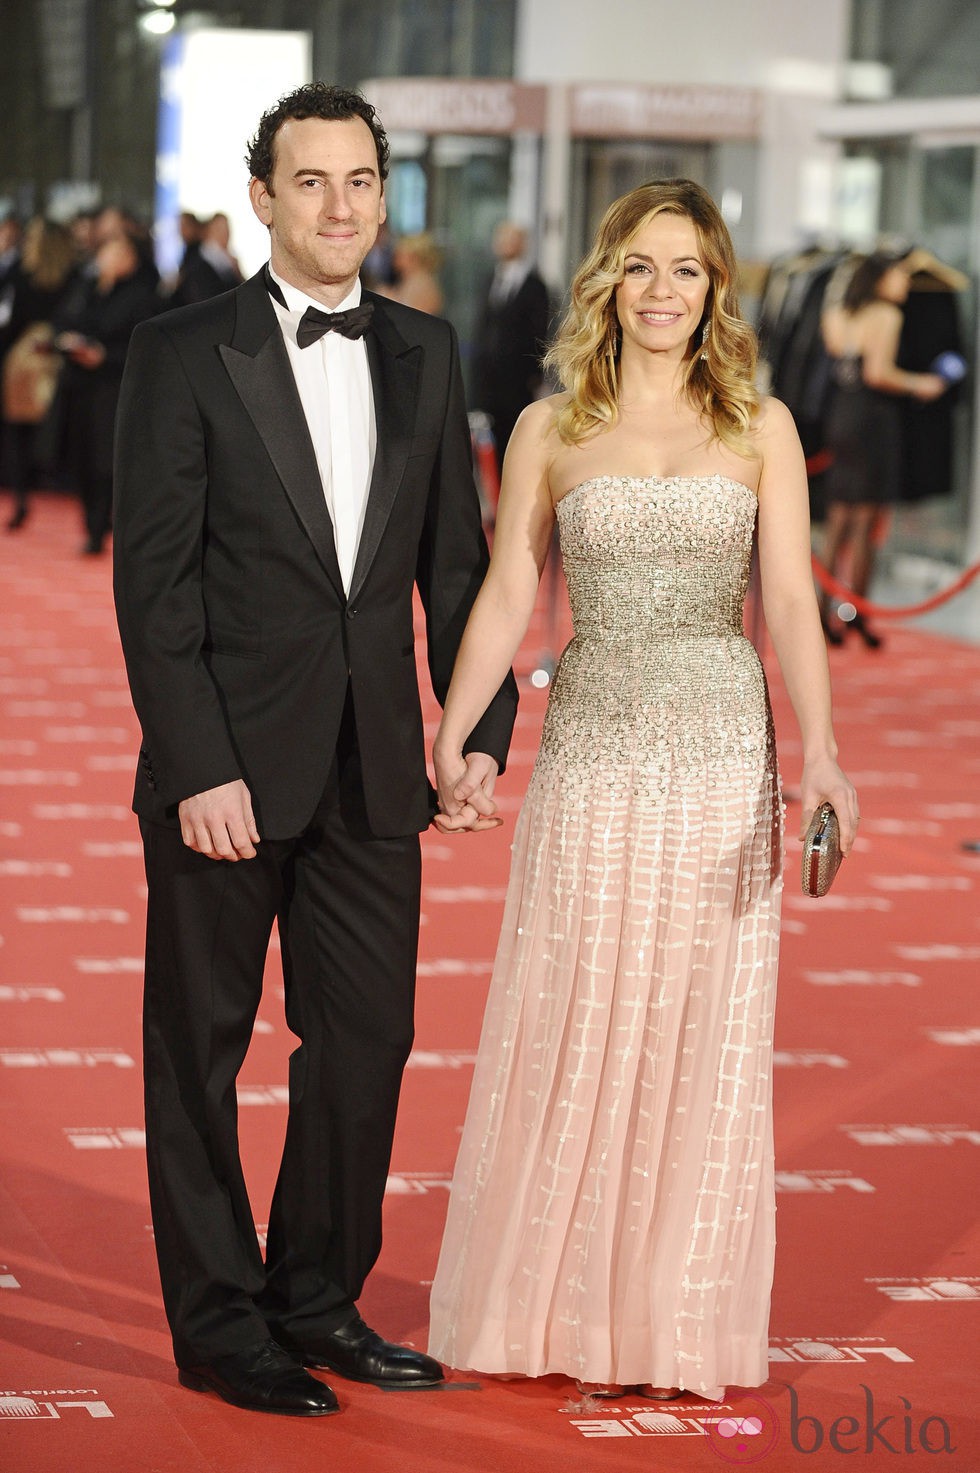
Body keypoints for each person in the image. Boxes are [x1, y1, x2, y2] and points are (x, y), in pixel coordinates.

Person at [112, 81, 518, 1419]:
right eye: (312, 182)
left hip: (373, 769)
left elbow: (457, 571)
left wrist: (473, 735)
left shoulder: (426, 345)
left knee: (367, 1042)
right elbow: (154, 586)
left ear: (383, 195)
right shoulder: (181, 350)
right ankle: (221, 1322)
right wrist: (198, 761)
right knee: (202, 1049)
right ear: (265, 196)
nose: (341, 207)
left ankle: (319, 1296)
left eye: (362, 182)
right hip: (224, 771)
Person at [427, 179, 858, 1402]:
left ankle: (668, 1315)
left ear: (716, 289)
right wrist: (451, 731)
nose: (662, 290)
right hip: (593, 753)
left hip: (720, 759)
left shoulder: (760, 424)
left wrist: (818, 753)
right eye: (641, 266)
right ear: (604, 281)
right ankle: (541, 1304)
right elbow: (508, 592)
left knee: (698, 1030)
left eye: (686, 269)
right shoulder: (549, 429)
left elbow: (784, 603)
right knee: (571, 1014)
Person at [818, 248, 949, 648]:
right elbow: (879, 373)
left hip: (843, 413)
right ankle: (857, 613)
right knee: (864, 523)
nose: (906, 283)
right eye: (900, 275)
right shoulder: (887, 315)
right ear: (880, 278)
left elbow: (838, 350)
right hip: (873, 420)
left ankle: (824, 614)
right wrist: (921, 384)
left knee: (839, 518)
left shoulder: (845, 312)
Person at [55, 230, 159, 553]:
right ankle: (92, 522)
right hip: (78, 387)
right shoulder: (84, 289)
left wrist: (104, 356)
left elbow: (143, 347)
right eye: (106, 255)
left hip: (113, 388)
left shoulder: (142, 297)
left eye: (118, 255)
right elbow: (62, 321)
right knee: (81, 456)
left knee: (105, 461)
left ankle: (99, 527)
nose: (110, 262)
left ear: (131, 260)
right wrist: (68, 342)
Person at [2, 217, 76, 529]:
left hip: (24, 356)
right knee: (55, 425)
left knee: (18, 429)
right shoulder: (72, 274)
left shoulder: (21, 271)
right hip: (57, 354)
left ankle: (21, 495)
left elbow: (12, 317)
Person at [471, 221, 550, 460]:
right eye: (502, 239)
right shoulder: (490, 278)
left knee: (514, 439)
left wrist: (535, 374)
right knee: (488, 442)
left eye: (512, 239)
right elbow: (483, 326)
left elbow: (540, 331)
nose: (505, 245)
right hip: (489, 378)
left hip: (518, 378)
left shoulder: (535, 284)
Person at [375, 231, 444, 315]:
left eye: (400, 255)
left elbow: (418, 318)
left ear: (414, 257)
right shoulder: (409, 279)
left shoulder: (421, 282)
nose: (395, 258)